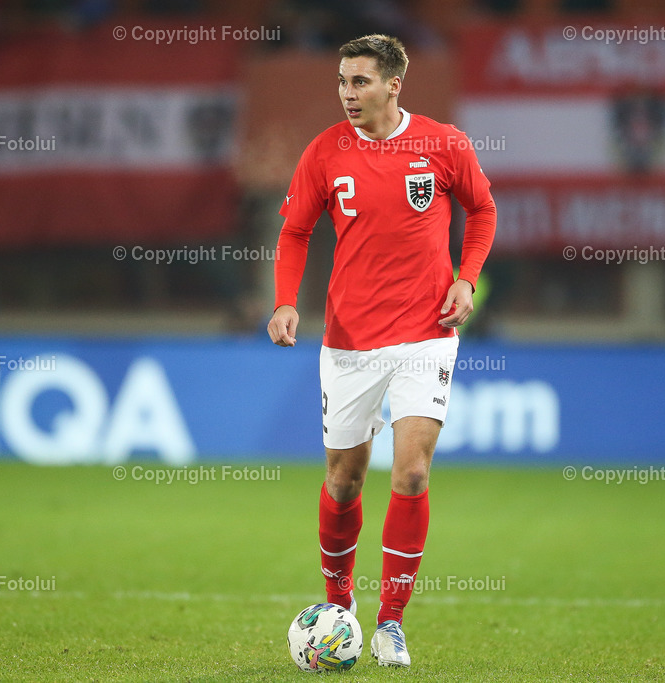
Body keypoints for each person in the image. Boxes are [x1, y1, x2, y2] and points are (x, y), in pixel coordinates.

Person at [266, 34, 496, 668]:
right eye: (342, 81)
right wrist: (286, 300)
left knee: (413, 471)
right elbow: (294, 230)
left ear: (394, 85)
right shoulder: (324, 152)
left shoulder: (443, 144)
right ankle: (339, 607)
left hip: (426, 331)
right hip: (349, 341)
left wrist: (465, 278)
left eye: (360, 82)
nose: (347, 93)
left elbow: (482, 211)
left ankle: (391, 622)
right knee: (343, 483)